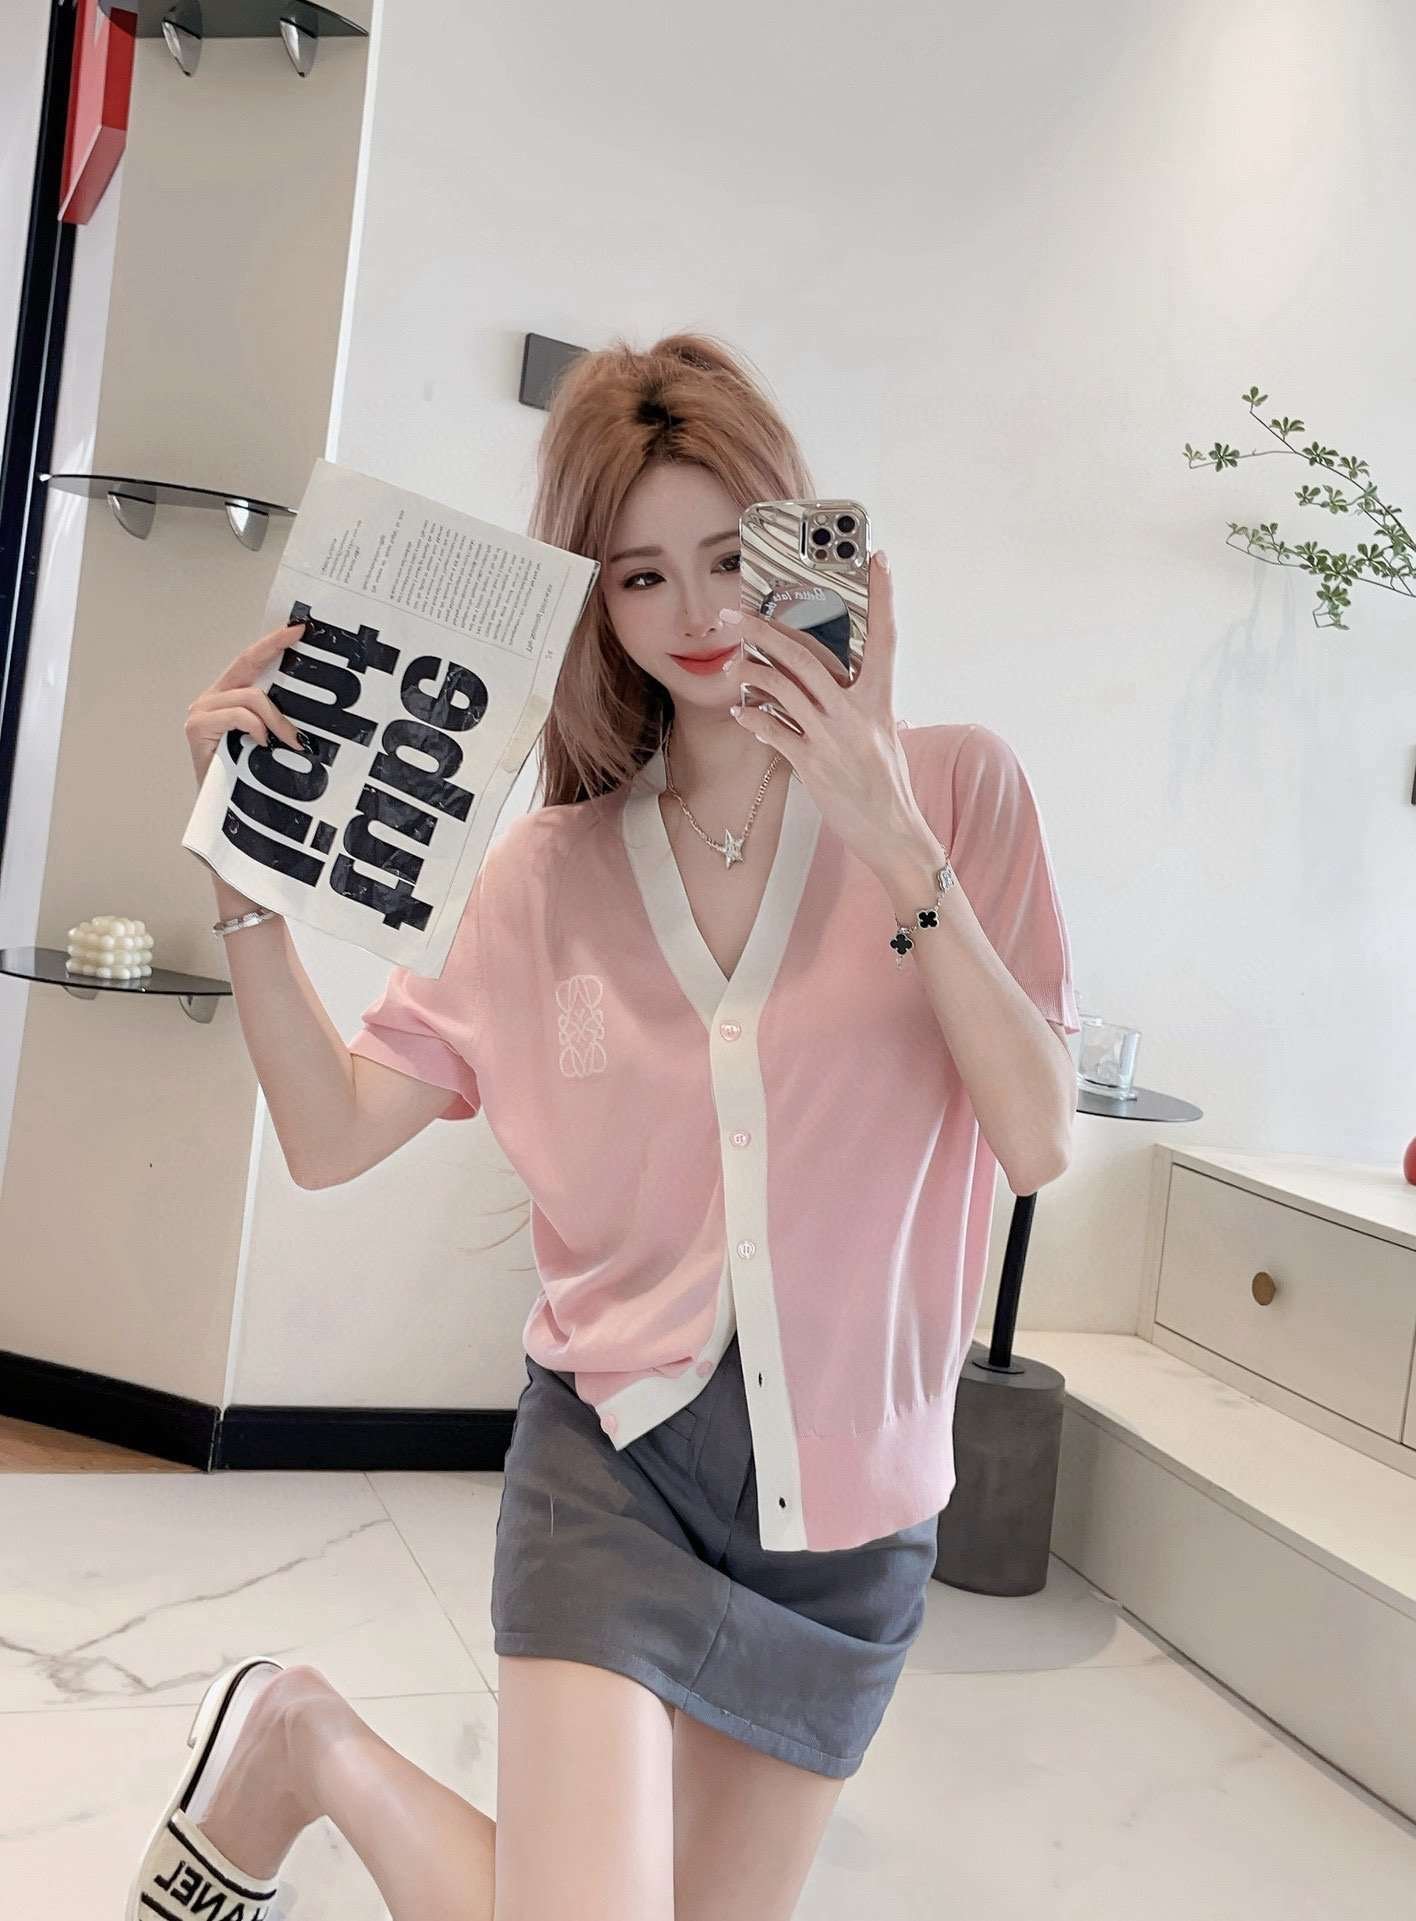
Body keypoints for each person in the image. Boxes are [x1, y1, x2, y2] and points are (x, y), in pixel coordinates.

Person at [148, 332, 1080, 1921]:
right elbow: (330, 1133)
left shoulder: (961, 793)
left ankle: (301, 1733)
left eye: (731, 555)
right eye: (643, 577)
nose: (700, 613)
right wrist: (245, 894)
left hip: (848, 1512)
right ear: (598, 604)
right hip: (617, 1461)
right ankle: (299, 1738)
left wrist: (886, 827)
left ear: (800, 538)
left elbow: (1040, 1136)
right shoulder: (547, 876)